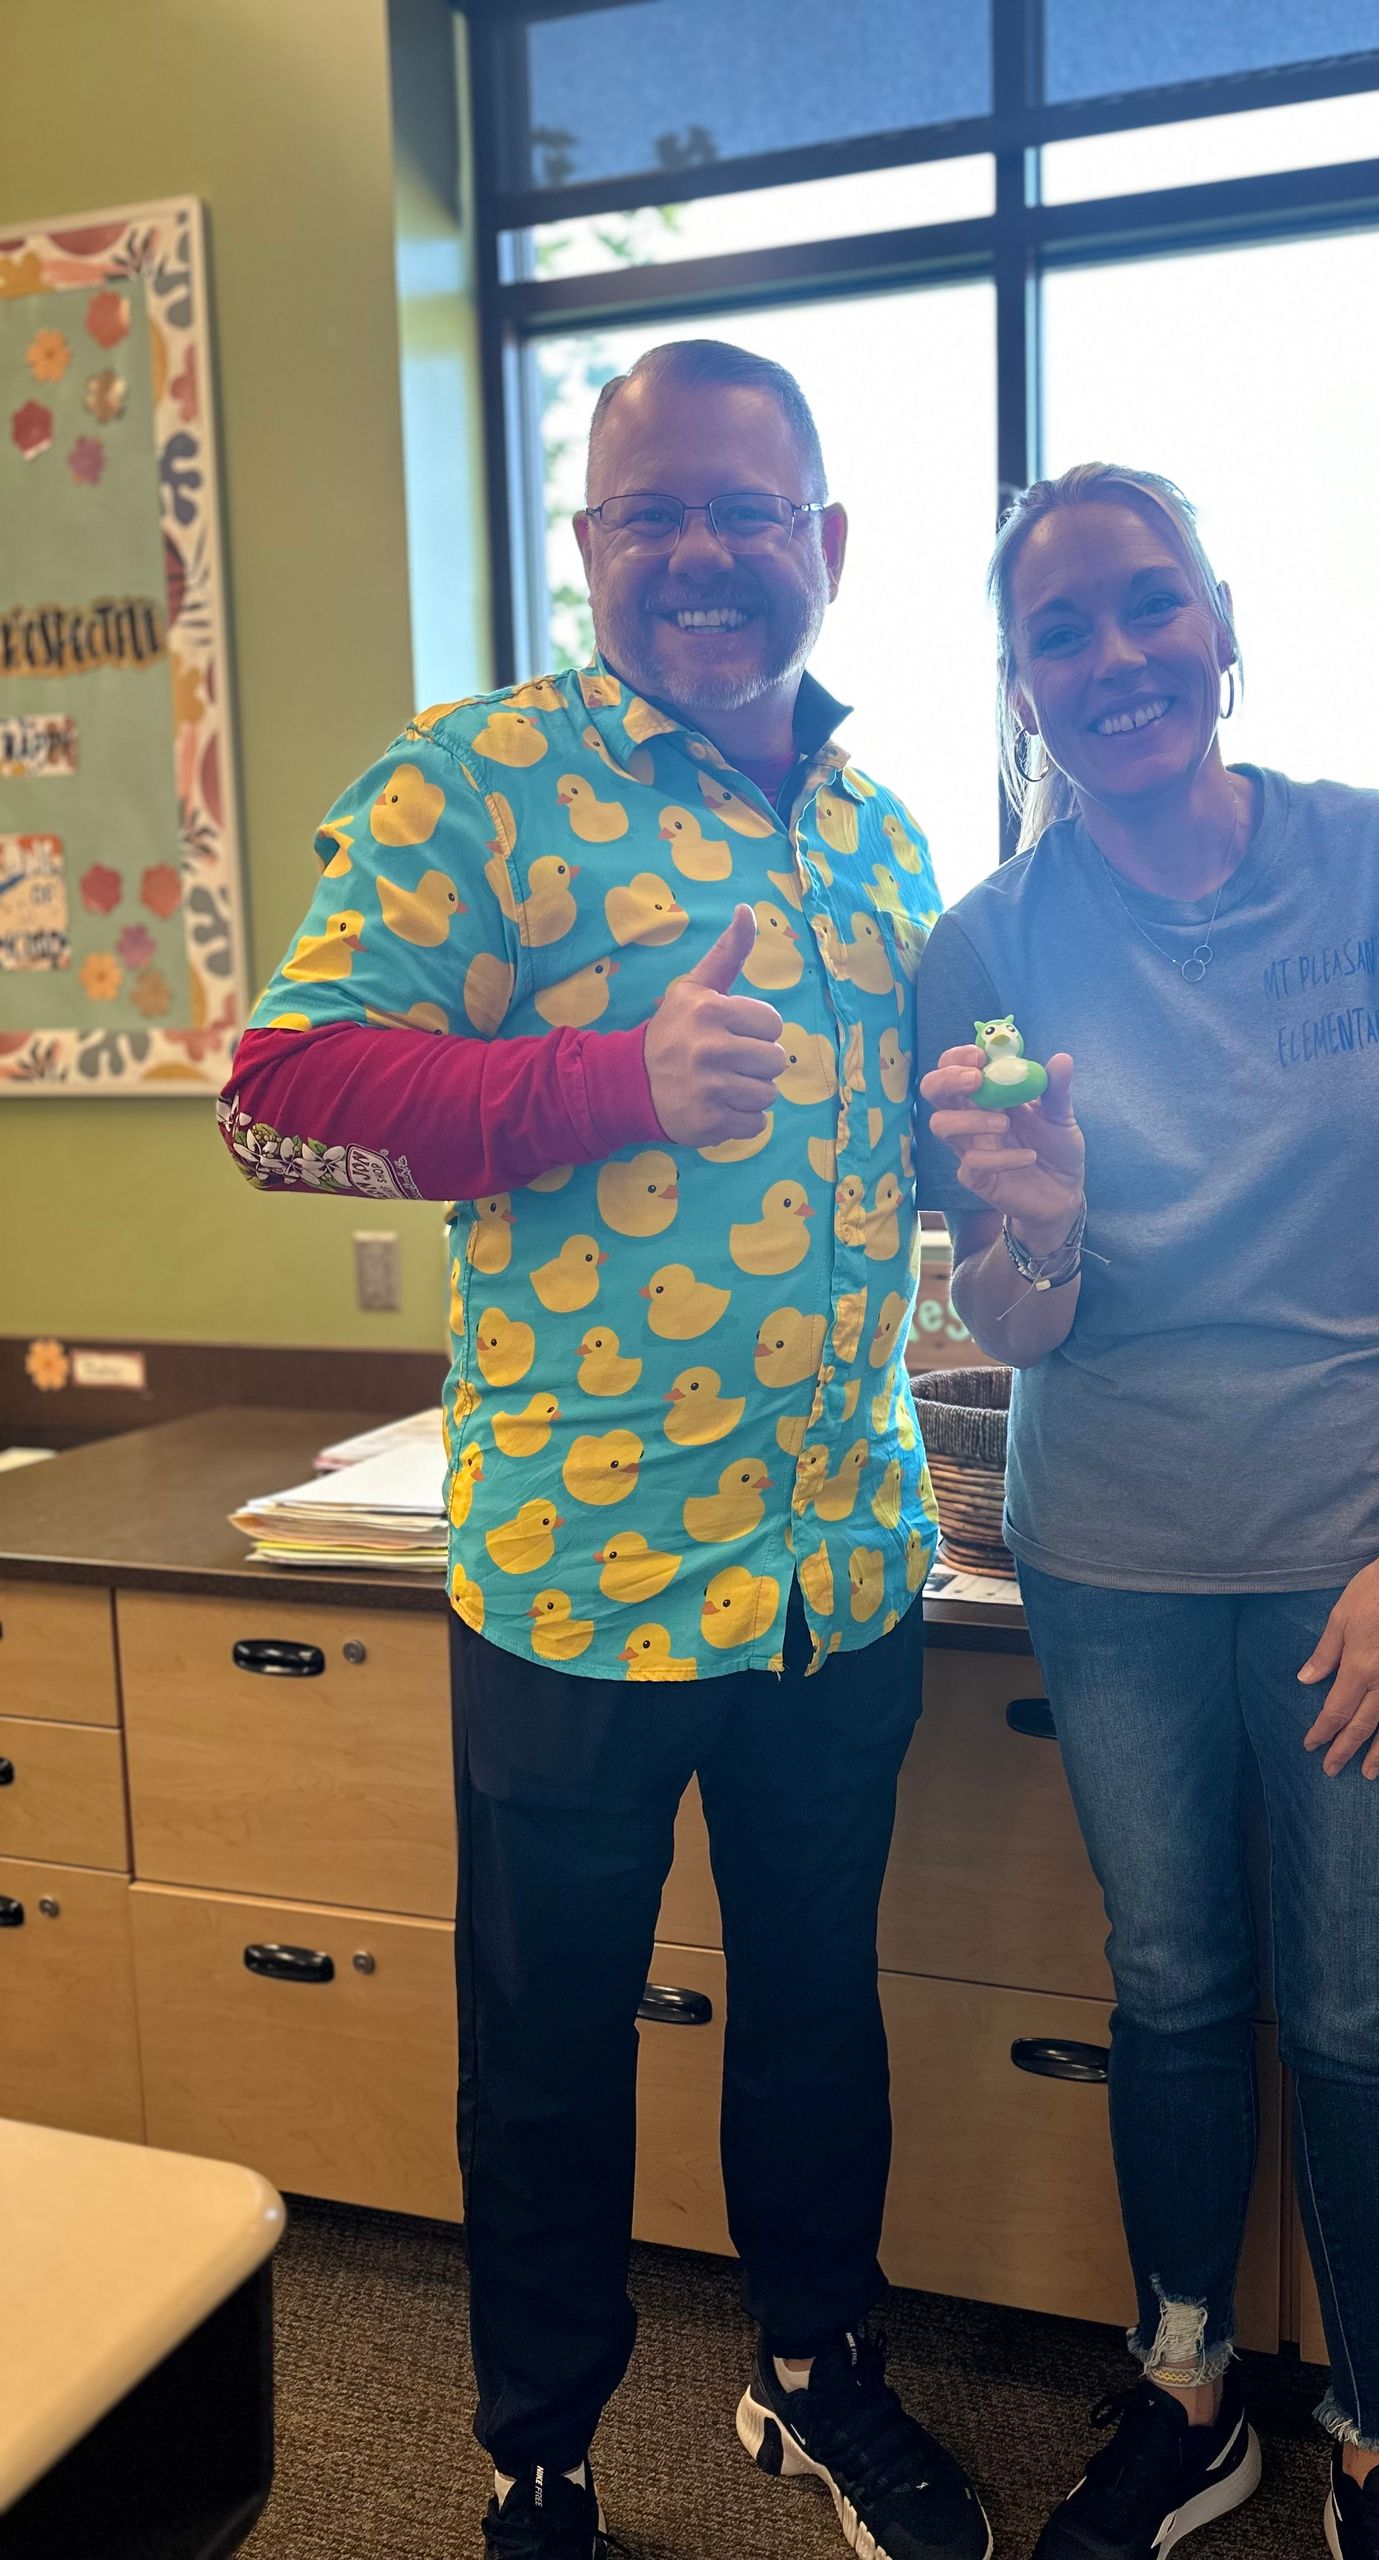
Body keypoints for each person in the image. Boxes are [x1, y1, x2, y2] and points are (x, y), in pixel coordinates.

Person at [219, 341, 988, 2560]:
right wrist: (604, 1083)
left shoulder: (881, 829)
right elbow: (276, 1093)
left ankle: (819, 2372)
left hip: (839, 1567)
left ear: (828, 547)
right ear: (588, 552)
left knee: (819, 2016)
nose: (703, 554)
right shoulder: (485, 782)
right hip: (579, 1580)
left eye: (750, 510)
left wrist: (998, 1177)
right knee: (550, 2054)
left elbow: (884, 1177)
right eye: (651, 513)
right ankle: (534, 2458)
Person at [916, 463, 1379, 2560]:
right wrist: (1037, 1228)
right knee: (1173, 1983)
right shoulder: (989, 941)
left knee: (1360, 2009)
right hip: (1108, 1552)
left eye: (1144, 608)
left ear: (1218, 621)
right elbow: (1016, 1314)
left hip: (1367, 1553)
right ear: (1019, 686)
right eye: (1060, 635)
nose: (1112, 660)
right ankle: (1186, 2393)